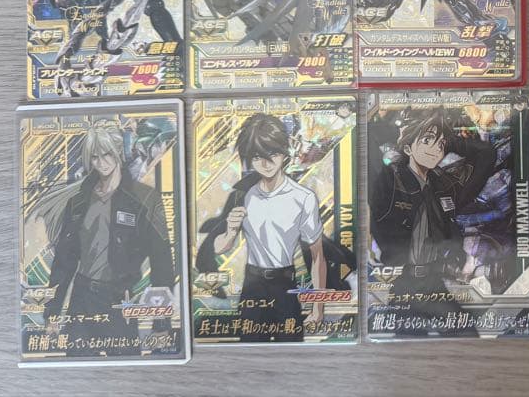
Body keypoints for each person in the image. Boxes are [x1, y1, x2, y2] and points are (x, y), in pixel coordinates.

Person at [46, 123, 174, 356]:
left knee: (126, 371)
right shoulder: (78, 202)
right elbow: (64, 261)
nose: (101, 163)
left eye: (106, 154)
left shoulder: (145, 199)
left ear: (118, 152)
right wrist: (52, 313)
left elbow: (162, 263)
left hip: (119, 299)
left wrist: (161, 323)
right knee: (77, 370)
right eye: (94, 157)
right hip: (82, 300)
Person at [197, 114, 325, 342]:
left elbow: (317, 257)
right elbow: (220, 248)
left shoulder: (303, 197)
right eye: (257, 157)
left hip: (285, 283)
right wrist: (230, 231)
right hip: (253, 286)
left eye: (272, 154)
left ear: (284, 152)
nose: (265, 164)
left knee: (291, 352)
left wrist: (318, 307)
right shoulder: (242, 195)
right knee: (251, 351)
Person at [369, 107, 496, 336]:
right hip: (403, 282)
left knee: (466, 335)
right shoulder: (388, 181)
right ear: (408, 147)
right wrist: (397, 131)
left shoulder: (444, 185)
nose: (436, 148)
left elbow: (486, 155)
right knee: (406, 346)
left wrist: (451, 142)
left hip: (433, 282)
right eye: (427, 140)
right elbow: (367, 145)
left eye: (440, 144)